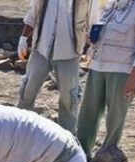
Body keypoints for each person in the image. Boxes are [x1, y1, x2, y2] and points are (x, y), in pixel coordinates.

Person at [76, 0, 135, 160]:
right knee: (88, 111)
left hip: (123, 70)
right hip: (98, 65)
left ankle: (108, 156)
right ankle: (80, 153)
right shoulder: (113, 4)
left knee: (115, 116)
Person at [17, 0, 100, 134]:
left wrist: (93, 47)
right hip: (41, 48)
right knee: (27, 92)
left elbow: (93, 22)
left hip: (69, 52)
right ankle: (17, 132)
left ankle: (67, 140)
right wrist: (23, 38)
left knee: (69, 100)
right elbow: (33, 14)